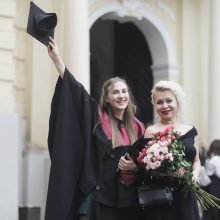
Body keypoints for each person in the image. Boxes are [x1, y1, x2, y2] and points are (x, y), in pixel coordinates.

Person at [44, 36, 145, 220]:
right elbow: (77, 92)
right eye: (115, 92)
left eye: (124, 91)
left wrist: (135, 166)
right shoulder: (98, 119)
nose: (121, 95)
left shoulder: (138, 127)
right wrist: (57, 58)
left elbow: (144, 163)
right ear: (106, 98)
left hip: (129, 200)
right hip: (101, 199)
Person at [141, 80, 201, 220]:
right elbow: (145, 166)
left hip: (186, 195)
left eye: (169, 101)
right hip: (161, 197)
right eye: (159, 102)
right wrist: (166, 171)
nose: (165, 106)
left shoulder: (191, 131)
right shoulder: (150, 131)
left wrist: (195, 175)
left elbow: (197, 161)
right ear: (155, 105)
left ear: (177, 102)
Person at [203, 139, 220, 220]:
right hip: (216, 185)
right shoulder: (217, 158)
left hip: (209, 185)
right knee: (216, 208)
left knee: (210, 207)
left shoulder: (208, 158)